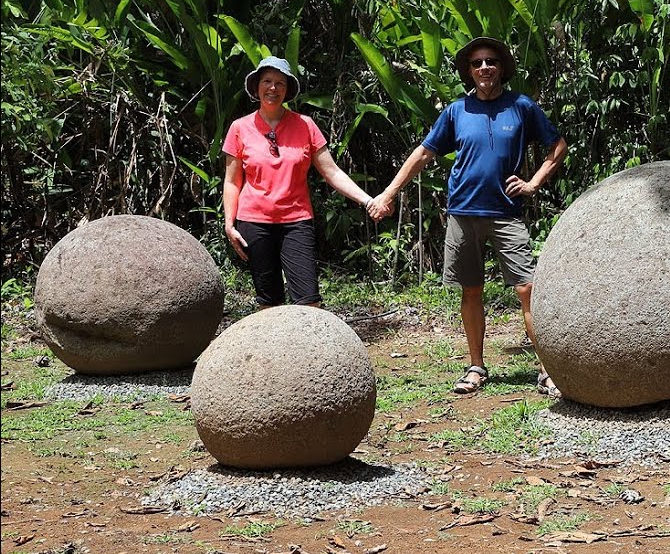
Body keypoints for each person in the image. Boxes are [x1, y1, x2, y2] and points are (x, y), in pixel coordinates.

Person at [369, 37, 568, 396]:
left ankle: (547, 370)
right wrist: (389, 192)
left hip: (506, 212)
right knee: (471, 290)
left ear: (502, 68)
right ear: (469, 71)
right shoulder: (456, 111)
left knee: (527, 289)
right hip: (463, 212)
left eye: (491, 61)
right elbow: (424, 153)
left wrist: (533, 183)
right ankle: (476, 367)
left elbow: (557, 146)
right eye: (477, 63)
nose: (485, 68)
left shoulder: (521, 107)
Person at [223, 56, 379, 307]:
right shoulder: (239, 128)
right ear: (257, 86)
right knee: (268, 303)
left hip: (296, 220)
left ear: (287, 90)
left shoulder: (305, 125)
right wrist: (229, 224)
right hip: (254, 221)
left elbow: (332, 172)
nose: (273, 88)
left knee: (309, 301)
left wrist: (368, 200)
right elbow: (232, 181)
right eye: (267, 81)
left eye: (280, 83)